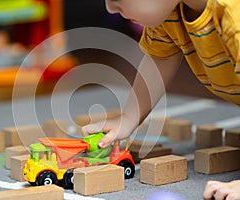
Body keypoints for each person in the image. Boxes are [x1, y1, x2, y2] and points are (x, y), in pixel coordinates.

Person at [81, 0, 240, 200]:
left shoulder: (234, 16)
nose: (110, 9)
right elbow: (161, 57)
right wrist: (129, 117)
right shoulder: (169, 12)